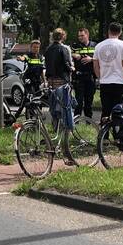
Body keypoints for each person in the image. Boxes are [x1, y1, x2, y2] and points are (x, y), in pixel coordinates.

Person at [43, 29, 77, 165]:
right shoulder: (64, 48)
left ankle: (56, 130)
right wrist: (72, 68)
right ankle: (68, 134)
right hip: (62, 82)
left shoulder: (48, 50)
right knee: (66, 109)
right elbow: (67, 64)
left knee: (54, 108)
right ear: (63, 36)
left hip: (51, 82)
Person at [93, 22, 123, 121]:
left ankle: (104, 134)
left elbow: (95, 65)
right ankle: (117, 134)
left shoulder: (99, 46)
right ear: (120, 32)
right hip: (119, 82)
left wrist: (100, 77)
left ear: (109, 31)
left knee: (105, 110)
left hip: (105, 82)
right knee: (118, 110)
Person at [71, 28, 97, 119]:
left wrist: (91, 59)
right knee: (79, 100)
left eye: (82, 35)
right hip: (79, 77)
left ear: (87, 35)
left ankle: (89, 121)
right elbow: (67, 53)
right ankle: (76, 120)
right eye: (79, 36)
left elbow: (101, 58)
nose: (80, 37)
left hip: (91, 76)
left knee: (89, 100)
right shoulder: (75, 45)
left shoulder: (95, 45)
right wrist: (74, 55)